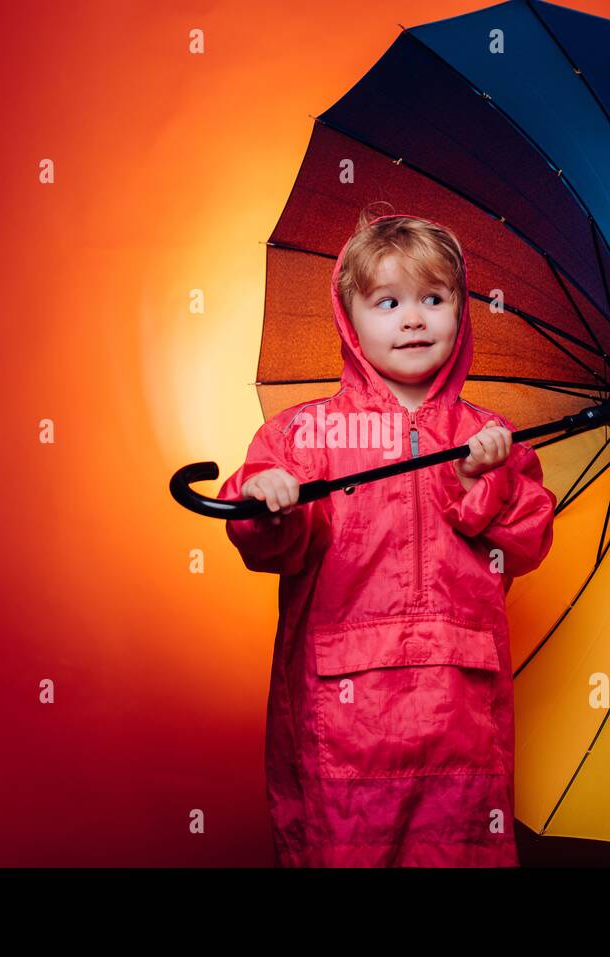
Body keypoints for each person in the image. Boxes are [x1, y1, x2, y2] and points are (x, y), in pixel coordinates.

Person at [218, 207, 556, 866]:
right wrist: (271, 503)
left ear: (461, 314)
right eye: (388, 301)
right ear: (350, 320)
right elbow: (263, 538)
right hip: (344, 719)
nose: (413, 318)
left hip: (462, 714)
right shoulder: (304, 436)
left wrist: (481, 479)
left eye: (434, 298)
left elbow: (526, 542)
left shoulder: (492, 436)